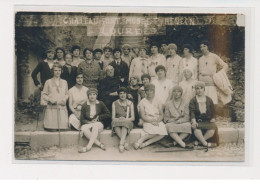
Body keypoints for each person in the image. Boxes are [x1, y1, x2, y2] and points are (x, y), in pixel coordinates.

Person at [134, 83, 167, 149]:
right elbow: (143, 116)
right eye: (147, 91)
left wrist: (157, 121)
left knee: (163, 133)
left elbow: (161, 114)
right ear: (145, 92)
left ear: (154, 91)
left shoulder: (158, 100)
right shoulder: (142, 102)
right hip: (147, 120)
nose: (149, 92)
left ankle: (145, 144)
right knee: (154, 132)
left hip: (157, 120)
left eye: (151, 91)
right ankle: (139, 141)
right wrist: (151, 121)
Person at [78, 88, 111, 153]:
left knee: (95, 126)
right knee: (84, 128)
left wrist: (99, 118)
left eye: (94, 94)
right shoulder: (85, 105)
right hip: (88, 123)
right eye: (90, 94)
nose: (92, 96)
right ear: (88, 96)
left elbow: (108, 114)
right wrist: (89, 122)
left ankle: (88, 147)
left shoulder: (100, 103)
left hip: (98, 123)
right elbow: (82, 119)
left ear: (96, 95)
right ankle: (99, 144)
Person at [189, 81, 219, 147]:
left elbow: (213, 111)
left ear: (204, 89)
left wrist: (213, 118)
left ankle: (199, 142)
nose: (199, 90)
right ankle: (206, 144)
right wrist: (193, 121)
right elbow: (192, 112)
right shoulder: (193, 100)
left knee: (212, 130)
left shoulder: (209, 99)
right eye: (197, 88)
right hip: (198, 120)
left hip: (207, 121)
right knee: (196, 130)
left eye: (201, 88)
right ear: (195, 90)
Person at [198, 40, 228, 104]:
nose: (202, 48)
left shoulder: (214, 56)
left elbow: (225, 65)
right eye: (201, 47)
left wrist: (218, 75)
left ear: (208, 47)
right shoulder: (200, 59)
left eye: (204, 46)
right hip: (202, 85)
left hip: (211, 84)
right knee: (202, 104)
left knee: (212, 104)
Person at [41, 63, 69, 131]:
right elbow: (44, 94)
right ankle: (50, 126)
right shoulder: (48, 82)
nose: (57, 72)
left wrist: (64, 99)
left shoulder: (64, 82)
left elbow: (67, 94)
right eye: (56, 70)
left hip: (61, 106)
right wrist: (50, 99)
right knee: (52, 129)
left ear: (61, 71)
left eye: (59, 70)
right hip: (52, 107)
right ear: (52, 71)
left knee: (62, 129)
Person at [111, 87, 135, 153]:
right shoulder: (114, 103)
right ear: (118, 95)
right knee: (114, 122)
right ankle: (124, 142)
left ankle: (121, 144)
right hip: (118, 120)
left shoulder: (130, 103)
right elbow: (113, 117)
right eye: (120, 93)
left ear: (126, 94)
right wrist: (119, 118)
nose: (122, 95)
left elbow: (133, 118)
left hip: (127, 121)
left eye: (124, 93)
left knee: (125, 123)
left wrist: (125, 119)